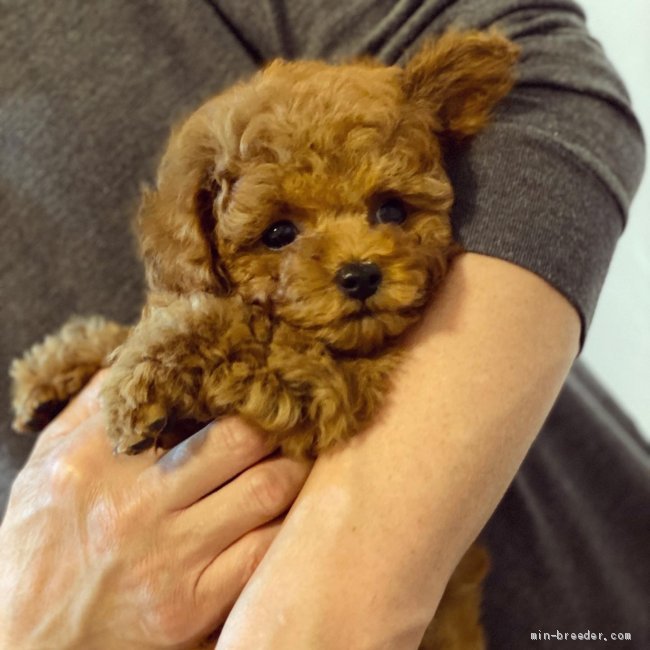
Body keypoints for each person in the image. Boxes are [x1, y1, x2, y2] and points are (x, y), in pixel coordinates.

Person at [0, 1, 647, 648]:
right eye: (281, 233)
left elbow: (542, 76)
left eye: (389, 210)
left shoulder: (346, 353)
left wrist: (346, 585)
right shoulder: (201, 278)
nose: (355, 259)